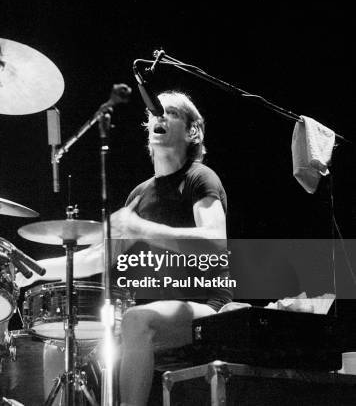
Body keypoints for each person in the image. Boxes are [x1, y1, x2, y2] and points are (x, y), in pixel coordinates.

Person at [17, 90, 232, 405]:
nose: (159, 116)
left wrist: (140, 228)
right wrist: (32, 270)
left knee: (134, 320)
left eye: (170, 112)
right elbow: (94, 258)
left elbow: (214, 241)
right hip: (150, 313)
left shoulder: (200, 178)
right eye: (154, 112)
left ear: (192, 131)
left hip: (205, 306)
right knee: (60, 340)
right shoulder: (139, 195)